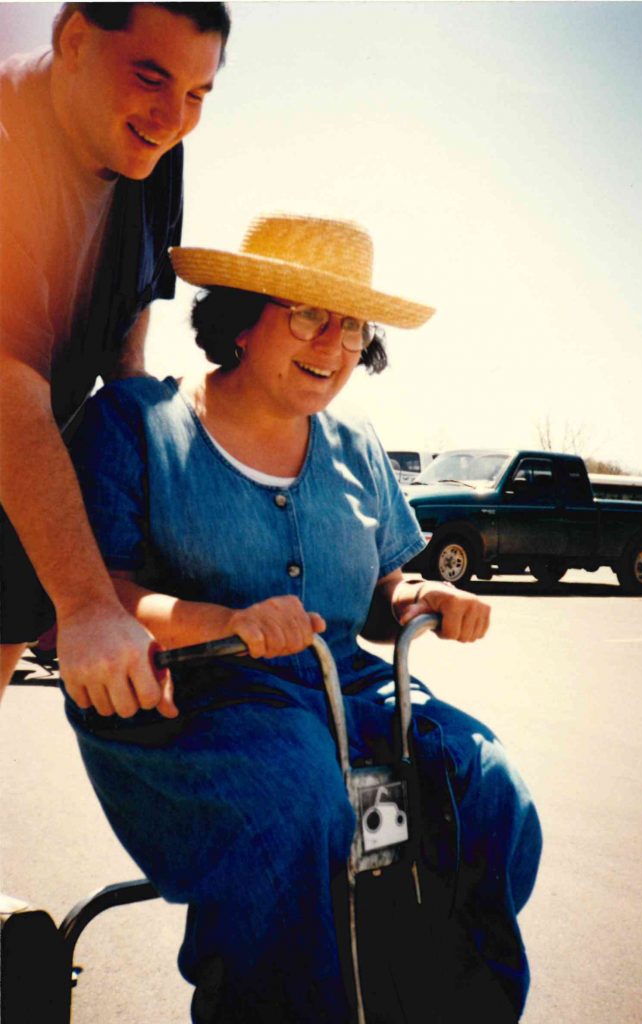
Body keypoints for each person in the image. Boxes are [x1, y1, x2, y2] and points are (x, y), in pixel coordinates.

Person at [67, 213, 542, 1022]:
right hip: (198, 701)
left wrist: (421, 600)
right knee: (297, 803)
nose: (332, 344)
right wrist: (220, 619)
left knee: (490, 784)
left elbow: (381, 597)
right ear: (242, 320)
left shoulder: (357, 443)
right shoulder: (139, 423)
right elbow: (94, 595)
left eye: (350, 325)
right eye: (307, 314)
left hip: (349, 695)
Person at [0, 2, 230, 709]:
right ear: (74, 40)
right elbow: (8, 394)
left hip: (28, 472)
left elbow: (125, 354)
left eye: (196, 95)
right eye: (151, 78)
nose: (171, 117)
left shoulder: (157, 153)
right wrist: (87, 603)